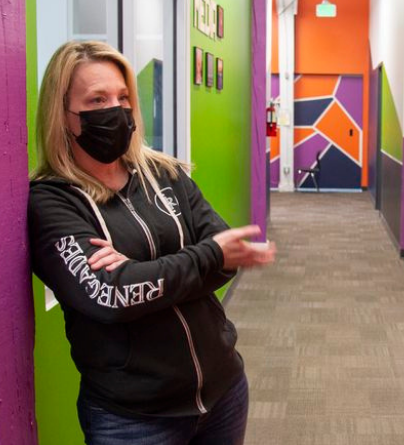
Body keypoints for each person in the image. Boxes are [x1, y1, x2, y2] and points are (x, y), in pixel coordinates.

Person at [28, 41, 275, 445]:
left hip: (223, 390)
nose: (116, 108)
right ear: (64, 115)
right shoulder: (51, 201)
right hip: (135, 419)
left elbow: (227, 256)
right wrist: (202, 257)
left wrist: (144, 272)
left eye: (123, 96)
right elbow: (111, 295)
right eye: (97, 99)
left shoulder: (164, 174)